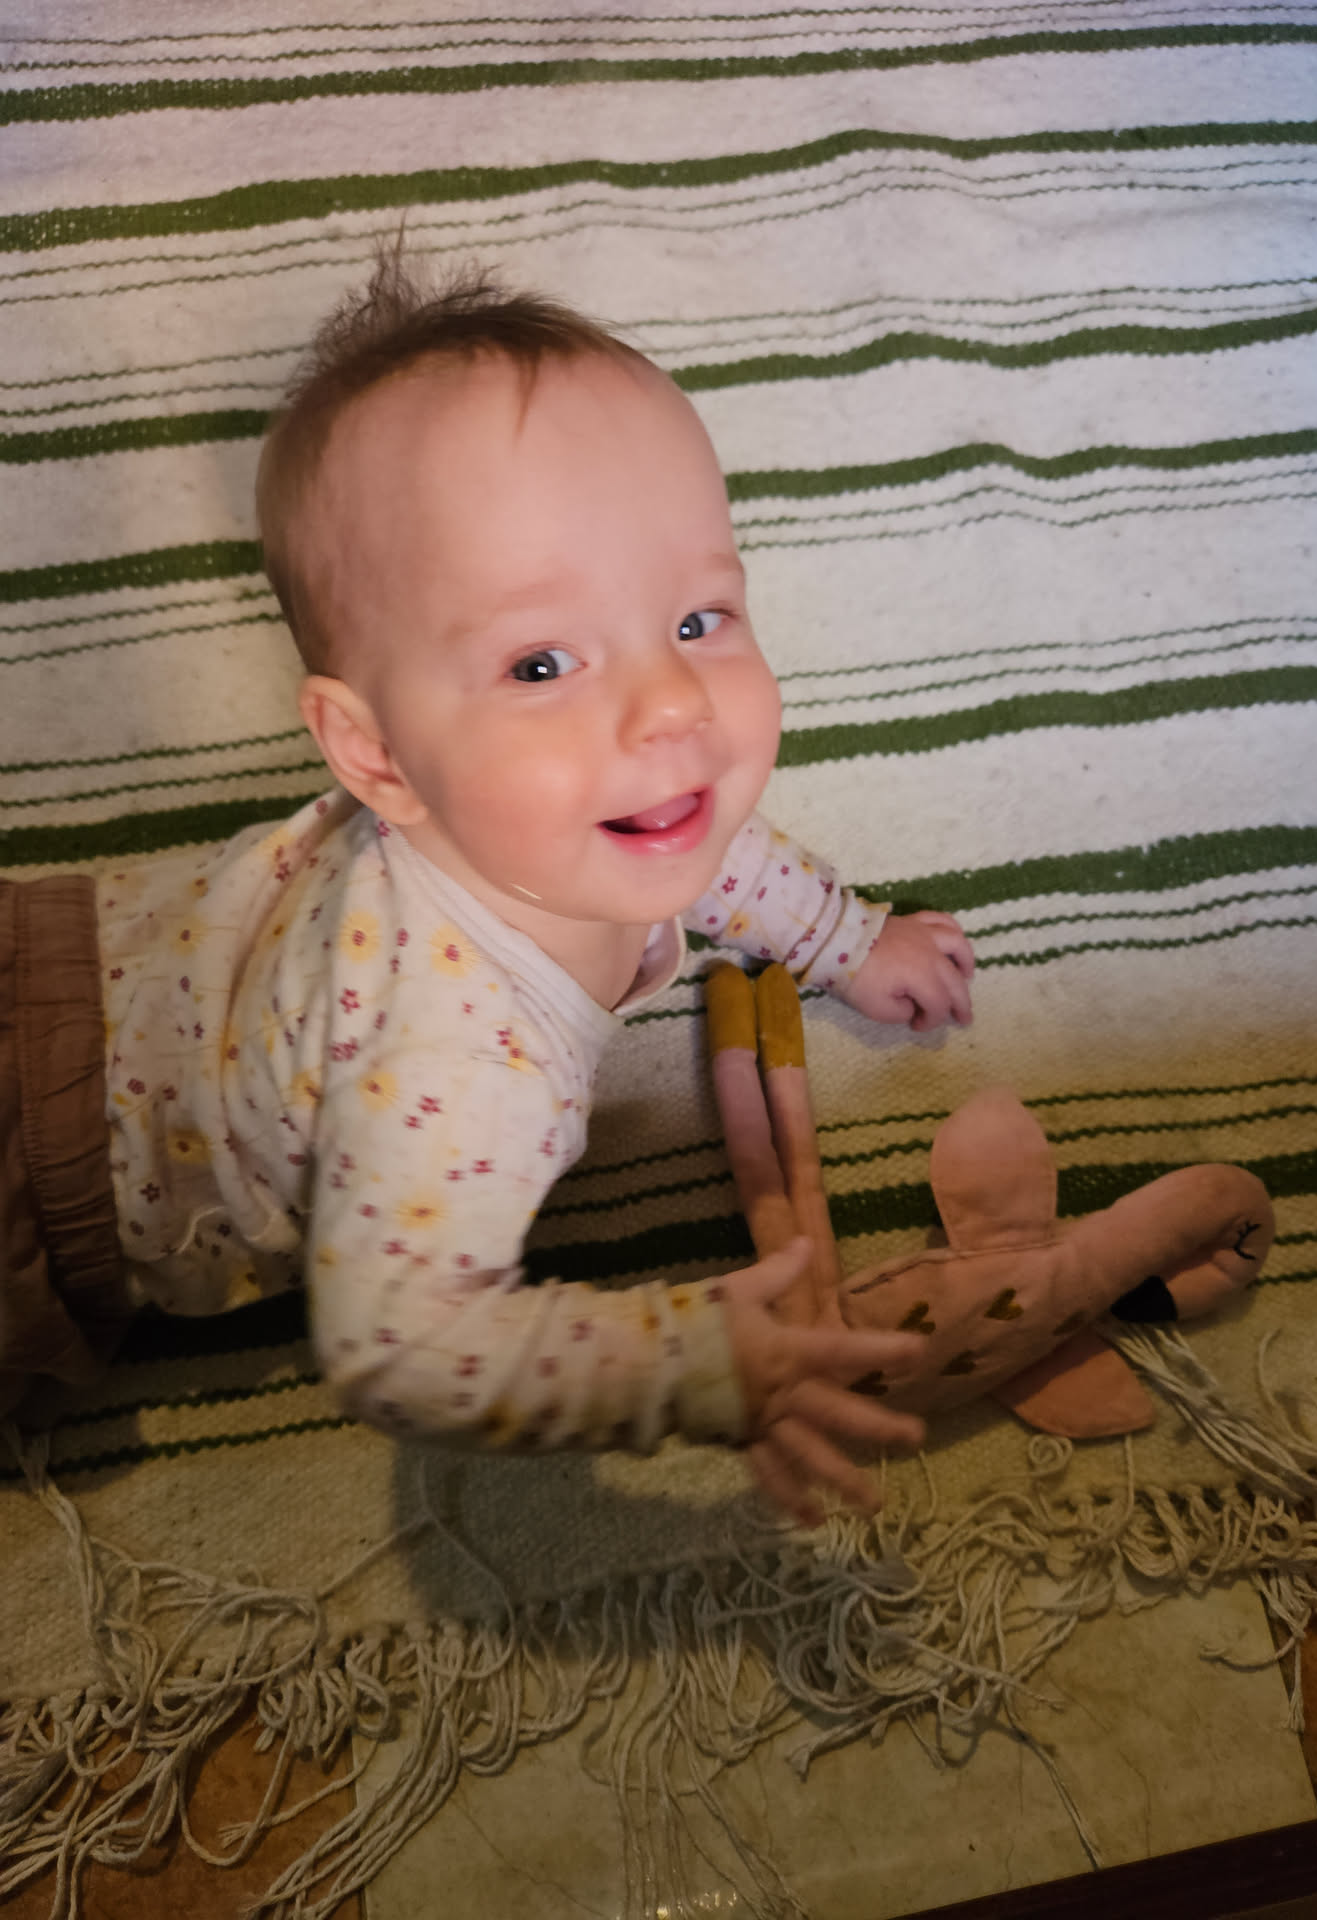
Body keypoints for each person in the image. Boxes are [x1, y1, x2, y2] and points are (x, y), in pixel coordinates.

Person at [1, 246, 975, 1528]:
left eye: (696, 620)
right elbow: (404, 1345)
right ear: (376, 757)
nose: (671, 705)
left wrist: (845, 939)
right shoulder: (460, 1058)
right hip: (41, 1170)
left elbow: (714, 849)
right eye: (541, 664)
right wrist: (683, 1362)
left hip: (86, 959)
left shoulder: (583, 812)